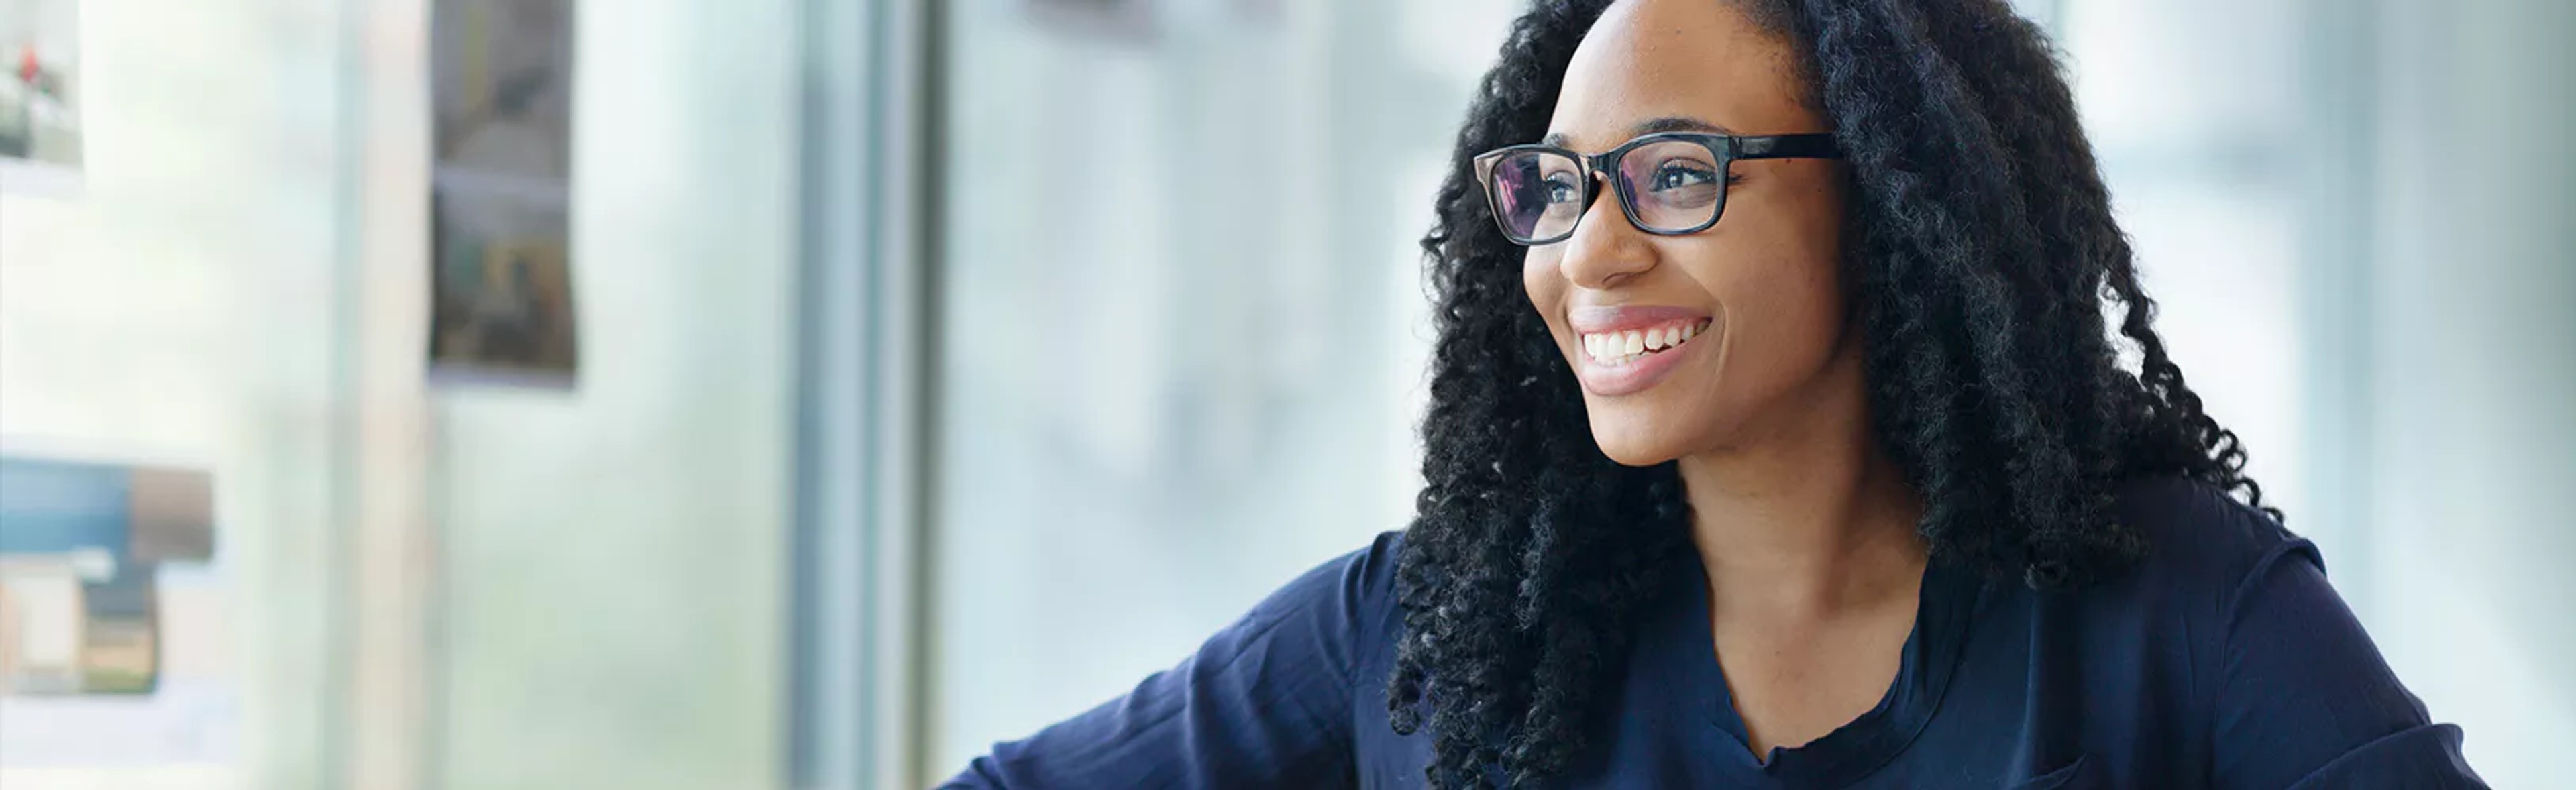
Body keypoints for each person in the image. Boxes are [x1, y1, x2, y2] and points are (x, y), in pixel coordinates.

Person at [943, 1, 2485, 787]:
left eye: (1678, 174)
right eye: (1555, 187)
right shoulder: (1437, 628)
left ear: (1889, 201)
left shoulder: (2184, 606)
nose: (1587, 252)